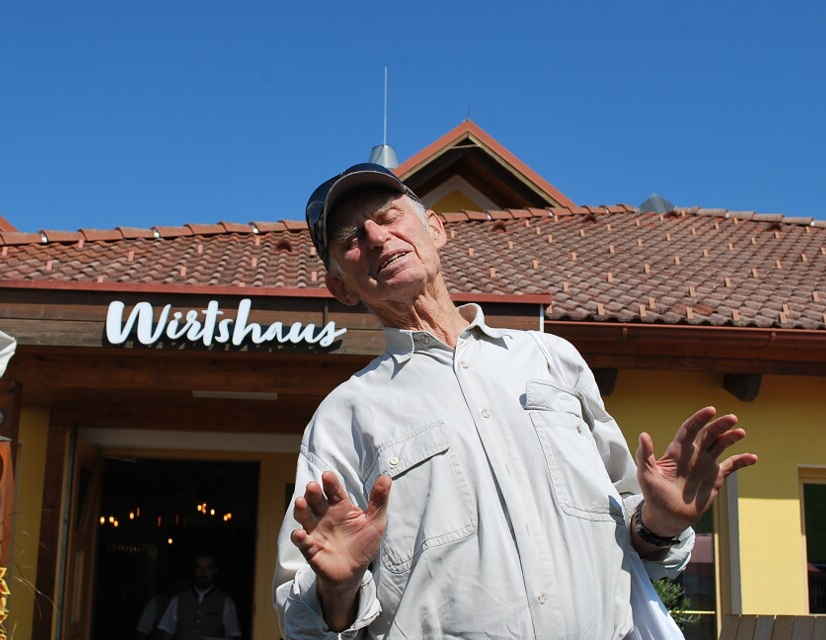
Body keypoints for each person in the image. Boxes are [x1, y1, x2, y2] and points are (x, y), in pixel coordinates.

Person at [272, 163, 758, 639]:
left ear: (436, 229)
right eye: (351, 239)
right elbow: (303, 615)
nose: (378, 237)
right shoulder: (343, 417)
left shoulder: (552, 359)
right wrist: (339, 588)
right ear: (341, 288)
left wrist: (660, 522)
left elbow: (632, 532)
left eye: (389, 216)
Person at [157, 551, 241, 639]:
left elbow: (233, 635)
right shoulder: (178, 599)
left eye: (208, 568)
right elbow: (167, 633)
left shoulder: (225, 601)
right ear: (194, 570)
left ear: (215, 570)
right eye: (199, 568)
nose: (203, 573)